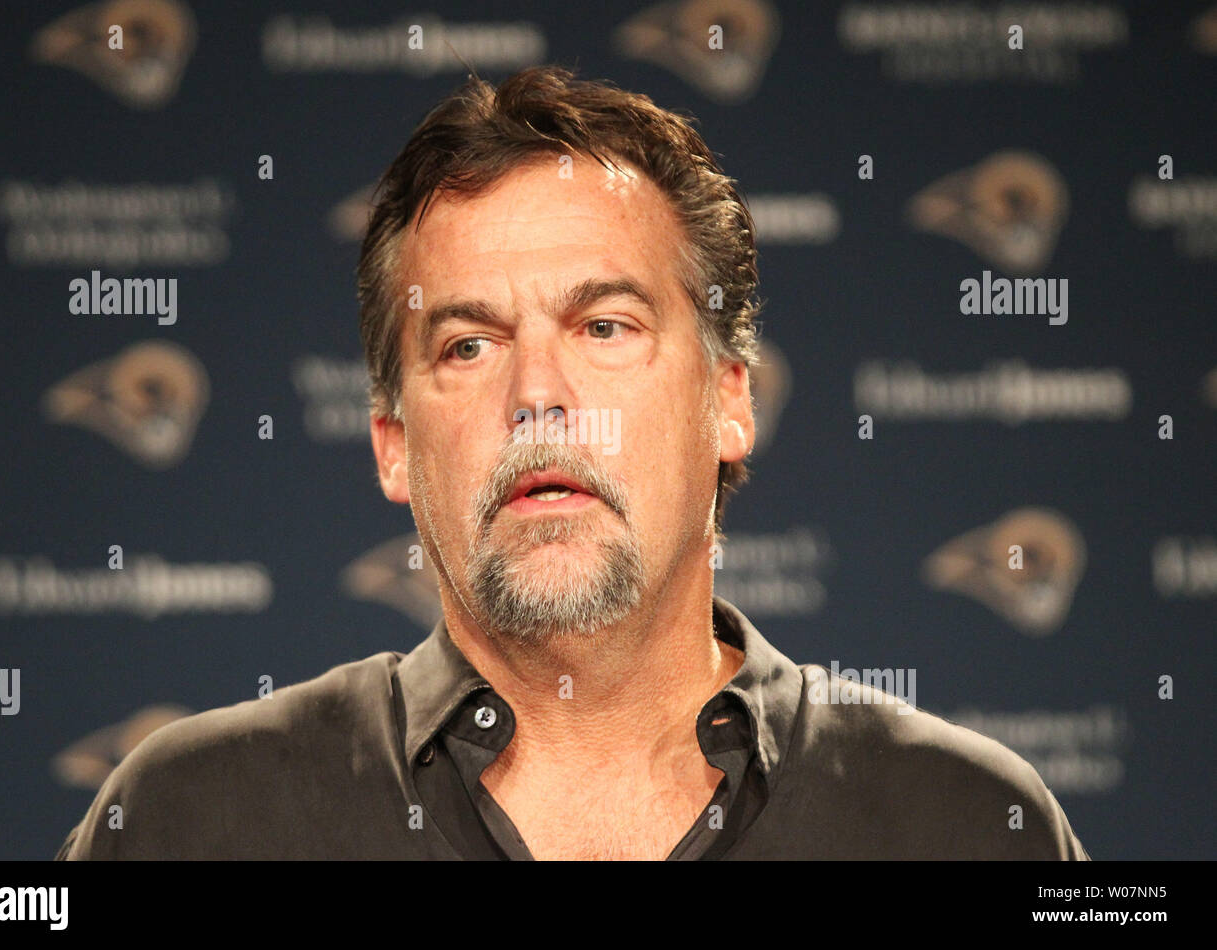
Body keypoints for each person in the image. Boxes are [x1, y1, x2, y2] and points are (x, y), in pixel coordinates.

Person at [57, 65, 1089, 860]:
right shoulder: (189, 818)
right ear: (394, 445)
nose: (536, 397)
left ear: (731, 399)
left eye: (603, 325)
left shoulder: (965, 821)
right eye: (467, 344)